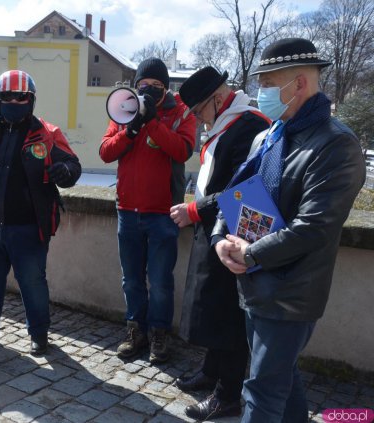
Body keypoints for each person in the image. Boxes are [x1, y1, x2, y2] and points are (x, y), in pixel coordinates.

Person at [213, 38, 366, 421]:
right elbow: (235, 191)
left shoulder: (337, 145)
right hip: (252, 283)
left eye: (268, 84)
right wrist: (219, 237)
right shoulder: (269, 136)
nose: (261, 93)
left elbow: (314, 227)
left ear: (299, 84)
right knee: (283, 379)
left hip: (290, 294)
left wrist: (251, 253)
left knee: (261, 391)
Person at [0, 70, 81, 356]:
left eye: (20, 96)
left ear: (31, 99)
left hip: (28, 228)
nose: (13, 101)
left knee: (33, 282)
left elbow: (73, 165)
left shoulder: (47, 133)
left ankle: (39, 334)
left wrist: (65, 171)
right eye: (7, 96)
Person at [170, 66, 270, 420]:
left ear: (216, 98)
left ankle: (228, 394)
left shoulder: (250, 125)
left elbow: (241, 190)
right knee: (211, 307)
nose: (197, 120)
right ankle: (211, 371)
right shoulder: (228, 122)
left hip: (234, 233)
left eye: (199, 111)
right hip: (213, 227)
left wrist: (196, 209)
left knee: (228, 314)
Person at [100, 58, 197, 363]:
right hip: (128, 210)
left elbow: (183, 150)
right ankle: (135, 329)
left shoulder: (181, 113)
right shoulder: (125, 109)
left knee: (160, 281)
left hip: (162, 213)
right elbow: (105, 152)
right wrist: (131, 130)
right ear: (136, 85)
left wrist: (153, 122)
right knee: (131, 280)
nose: (149, 89)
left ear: (166, 88)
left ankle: (158, 332)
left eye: (156, 86)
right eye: (144, 84)